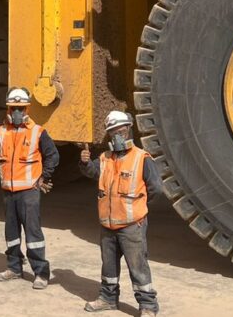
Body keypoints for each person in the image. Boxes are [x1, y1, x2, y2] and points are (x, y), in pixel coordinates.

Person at [0, 87, 59, 289]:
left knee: (33, 235)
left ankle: (41, 273)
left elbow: (53, 155)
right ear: (8, 110)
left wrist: (43, 177)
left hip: (29, 193)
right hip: (9, 192)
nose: (17, 113)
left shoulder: (38, 132)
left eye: (20, 108)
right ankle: (14, 267)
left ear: (27, 110)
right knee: (12, 233)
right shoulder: (1, 132)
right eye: (13, 109)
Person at [81, 110, 162, 316]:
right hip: (107, 225)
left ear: (128, 130)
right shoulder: (105, 158)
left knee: (138, 267)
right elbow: (94, 174)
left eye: (121, 131)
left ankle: (148, 306)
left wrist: (139, 210)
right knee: (108, 267)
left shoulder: (141, 158)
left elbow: (156, 189)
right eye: (113, 132)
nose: (117, 136)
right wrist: (85, 163)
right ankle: (108, 299)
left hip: (131, 225)